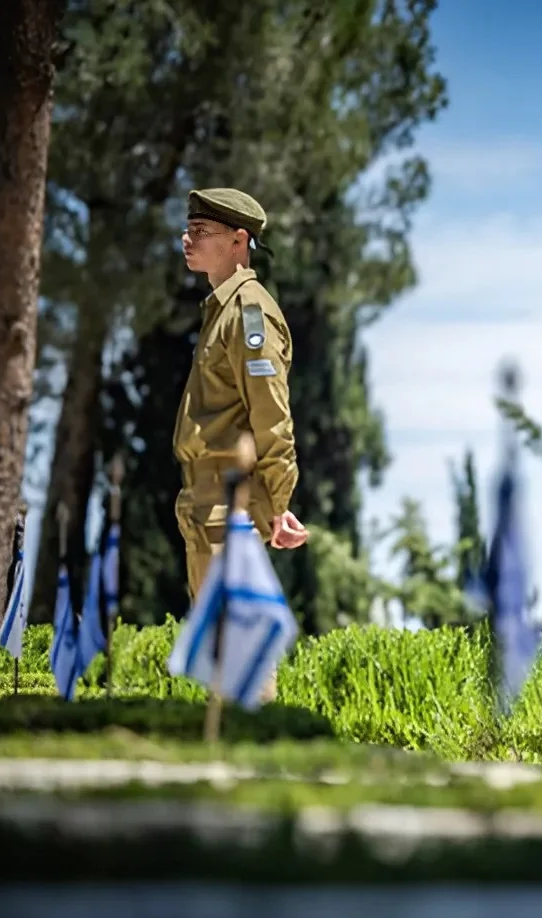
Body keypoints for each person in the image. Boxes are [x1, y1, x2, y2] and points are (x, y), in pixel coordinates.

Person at [173, 187, 308, 697]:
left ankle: (259, 740)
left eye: (200, 231)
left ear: (238, 239)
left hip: (228, 504)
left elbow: (272, 417)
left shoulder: (250, 313)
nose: (187, 239)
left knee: (239, 660)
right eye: (188, 229)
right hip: (205, 500)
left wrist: (274, 505)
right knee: (219, 659)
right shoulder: (223, 310)